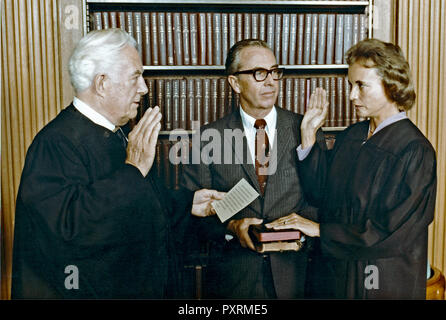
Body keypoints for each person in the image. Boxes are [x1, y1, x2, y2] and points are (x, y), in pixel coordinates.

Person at [11, 28, 224, 299]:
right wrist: (132, 169)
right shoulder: (55, 143)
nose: (144, 88)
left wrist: (187, 205)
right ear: (102, 83)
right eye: (136, 77)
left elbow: (132, 209)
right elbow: (69, 231)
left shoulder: (114, 134)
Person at [266, 39, 437, 299]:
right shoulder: (353, 136)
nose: (351, 96)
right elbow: (321, 194)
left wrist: (321, 230)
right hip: (339, 275)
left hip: (381, 281)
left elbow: (392, 231)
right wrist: (309, 135)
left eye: (361, 86)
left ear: (391, 85)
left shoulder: (414, 150)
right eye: (350, 85)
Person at [181, 39, 326, 299]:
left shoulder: (305, 129)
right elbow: (191, 219)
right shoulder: (207, 138)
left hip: (296, 278)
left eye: (274, 72)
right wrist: (231, 228)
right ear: (235, 83)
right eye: (259, 73)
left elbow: (321, 198)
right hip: (234, 282)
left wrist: (299, 237)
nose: (270, 81)